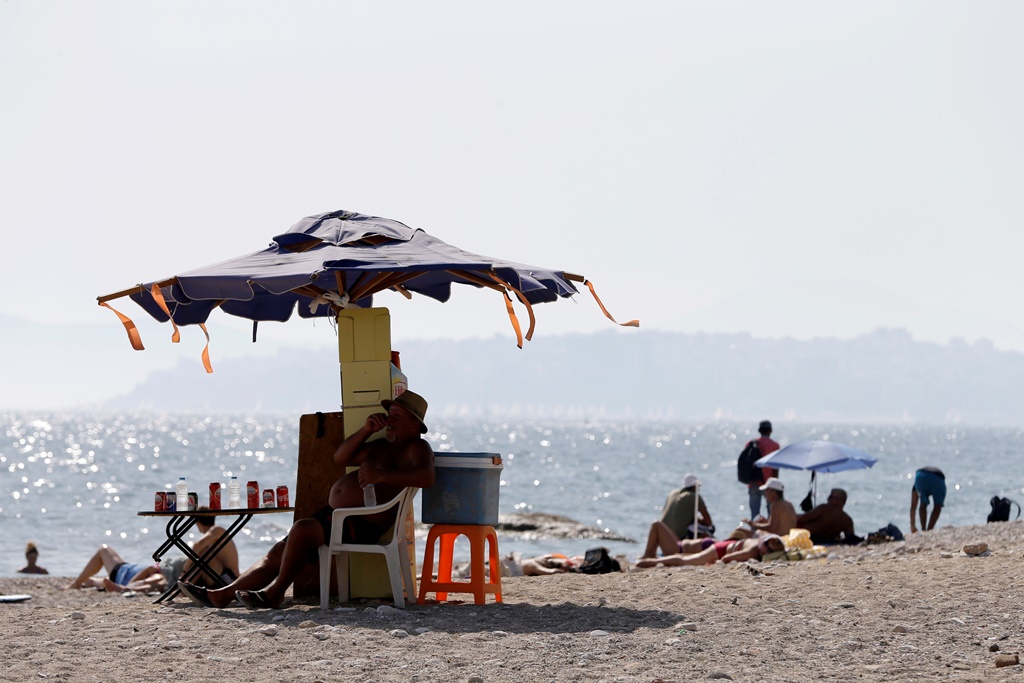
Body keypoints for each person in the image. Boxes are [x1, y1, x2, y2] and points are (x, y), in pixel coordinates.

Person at [178, 390, 435, 610]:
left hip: (362, 524)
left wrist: (381, 475)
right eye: (389, 414)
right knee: (280, 551)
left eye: (397, 417)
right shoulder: (381, 445)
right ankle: (222, 595)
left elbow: (427, 477)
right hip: (340, 517)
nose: (389, 420)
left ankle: (276, 592)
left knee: (301, 529)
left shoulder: (416, 448)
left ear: (414, 424)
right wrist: (366, 429)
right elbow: (340, 458)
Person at [66, 510, 239, 593]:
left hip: (220, 580)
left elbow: (196, 548)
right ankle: (92, 583)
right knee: (102, 577)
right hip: (225, 579)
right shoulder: (218, 539)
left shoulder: (216, 532)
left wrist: (184, 575)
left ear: (197, 523)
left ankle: (81, 584)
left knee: (104, 550)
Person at [636, 534, 785, 568]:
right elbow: (728, 558)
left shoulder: (757, 543)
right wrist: (717, 563)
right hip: (719, 550)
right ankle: (652, 561)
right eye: (767, 545)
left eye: (771, 549)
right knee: (685, 562)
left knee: (689, 557)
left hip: (726, 545)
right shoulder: (753, 550)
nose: (768, 549)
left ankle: (656, 559)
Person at [658, 473, 714, 539]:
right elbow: (708, 522)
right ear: (694, 486)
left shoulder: (673, 493)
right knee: (711, 529)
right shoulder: (694, 496)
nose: (698, 489)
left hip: (662, 533)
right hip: (679, 535)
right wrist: (699, 520)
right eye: (698, 486)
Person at [745, 420, 780, 518]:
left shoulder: (750, 444)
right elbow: (775, 468)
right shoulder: (774, 445)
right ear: (770, 431)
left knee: (754, 515)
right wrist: (776, 485)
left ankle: (755, 532)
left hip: (753, 482)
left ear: (759, 430)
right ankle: (769, 532)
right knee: (771, 514)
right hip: (769, 483)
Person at [910, 466, 946, 533]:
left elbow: (913, 506)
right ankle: (929, 529)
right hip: (938, 478)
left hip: (920, 477)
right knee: (938, 506)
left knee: (923, 503)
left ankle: (923, 529)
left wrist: (912, 526)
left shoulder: (915, 487)